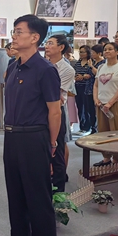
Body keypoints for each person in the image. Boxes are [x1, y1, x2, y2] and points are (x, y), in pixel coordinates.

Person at [0, 15, 61, 236]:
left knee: (38, 200)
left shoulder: (45, 70)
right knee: (16, 196)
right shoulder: (13, 66)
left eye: (19, 31)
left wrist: (52, 143)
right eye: (14, 31)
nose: (14, 35)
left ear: (35, 38)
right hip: (12, 137)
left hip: (35, 138)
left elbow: (54, 112)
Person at [44, 35, 74, 193]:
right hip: (40, 112)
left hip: (57, 112)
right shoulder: (43, 64)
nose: (47, 46)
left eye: (50, 43)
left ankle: (59, 190)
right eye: (46, 43)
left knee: (58, 149)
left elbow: (57, 95)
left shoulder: (67, 69)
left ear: (61, 47)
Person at [93, 42, 118, 166]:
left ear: (117, 52)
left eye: (110, 49)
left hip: (116, 104)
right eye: (105, 49)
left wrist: (110, 103)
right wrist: (96, 99)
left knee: (117, 132)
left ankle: (116, 160)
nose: (107, 51)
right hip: (101, 105)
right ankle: (106, 158)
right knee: (103, 132)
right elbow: (96, 85)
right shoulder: (100, 67)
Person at [74, 45, 96, 134]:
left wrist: (83, 77)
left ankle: (89, 127)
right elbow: (74, 73)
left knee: (87, 108)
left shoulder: (91, 62)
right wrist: (76, 77)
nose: (81, 53)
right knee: (79, 107)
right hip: (78, 86)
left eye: (83, 52)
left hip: (87, 88)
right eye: (80, 52)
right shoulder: (77, 63)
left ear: (88, 53)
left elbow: (92, 75)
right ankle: (82, 126)